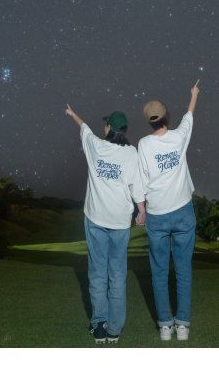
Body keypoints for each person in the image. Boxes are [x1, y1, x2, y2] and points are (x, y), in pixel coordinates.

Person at [65, 104, 146, 344]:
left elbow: (85, 128)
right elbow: (137, 185)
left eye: (106, 123)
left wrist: (72, 114)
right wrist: (142, 210)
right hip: (120, 222)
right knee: (117, 275)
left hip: (96, 219)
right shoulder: (132, 153)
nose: (104, 126)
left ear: (110, 127)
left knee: (98, 274)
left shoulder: (97, 146)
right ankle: (114, 330)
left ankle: (98, 325)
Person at [137, 80, 200, 341]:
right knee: (183, 268)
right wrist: (194, 94)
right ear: (165, 117)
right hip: (183, 212)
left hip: (158, 215)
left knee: (159, 271)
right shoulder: (178, 136)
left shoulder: (143, 144)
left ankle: (165, 325)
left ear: (149, 122)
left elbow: (140, 179)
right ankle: (182, 324)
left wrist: (141, 210)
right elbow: (189, 115)